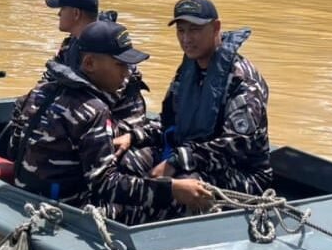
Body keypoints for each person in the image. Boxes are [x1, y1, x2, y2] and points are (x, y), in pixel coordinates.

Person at [14, 21, 213, 223]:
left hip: (26, 193)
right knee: (176, 204)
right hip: (69, 209)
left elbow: (15, 145)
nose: (127, 73)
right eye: (120, 64)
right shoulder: (92, 109)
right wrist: (173, 189)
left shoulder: (41, 91)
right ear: (90, 63)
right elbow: (106, 186)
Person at [116, 0, 273, 216]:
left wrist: (177, 161)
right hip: (188, 155)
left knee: (184, 187)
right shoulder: (188, 71)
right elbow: (168, 121)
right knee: (127, 162)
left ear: (216, 28)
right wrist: (134, 136)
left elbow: (235, 146)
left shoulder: (242, 80)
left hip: (242, 173)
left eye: (194, 30)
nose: (186, 39)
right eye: (181, 31)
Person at [4, 0, 147, 158]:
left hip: (118, 122)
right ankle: (17, 160)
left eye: (62, 8)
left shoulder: (109, 47)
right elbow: (47, 83)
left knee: (59, 126)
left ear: (75, 13)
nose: (58, 13)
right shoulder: (69, 46)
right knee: (24, 105)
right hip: (84, 116)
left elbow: (103, 101)